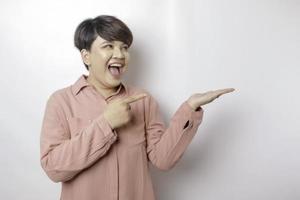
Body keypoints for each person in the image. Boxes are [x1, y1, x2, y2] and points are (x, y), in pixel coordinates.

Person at [40, 15, 234, 200]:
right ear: (87, 56)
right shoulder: (61, 102)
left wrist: (190, 109)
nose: (120, 54)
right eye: (108, 46)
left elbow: (163, 159)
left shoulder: (143, 100)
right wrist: (106, 124)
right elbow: (54, 168)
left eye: (124, 48)